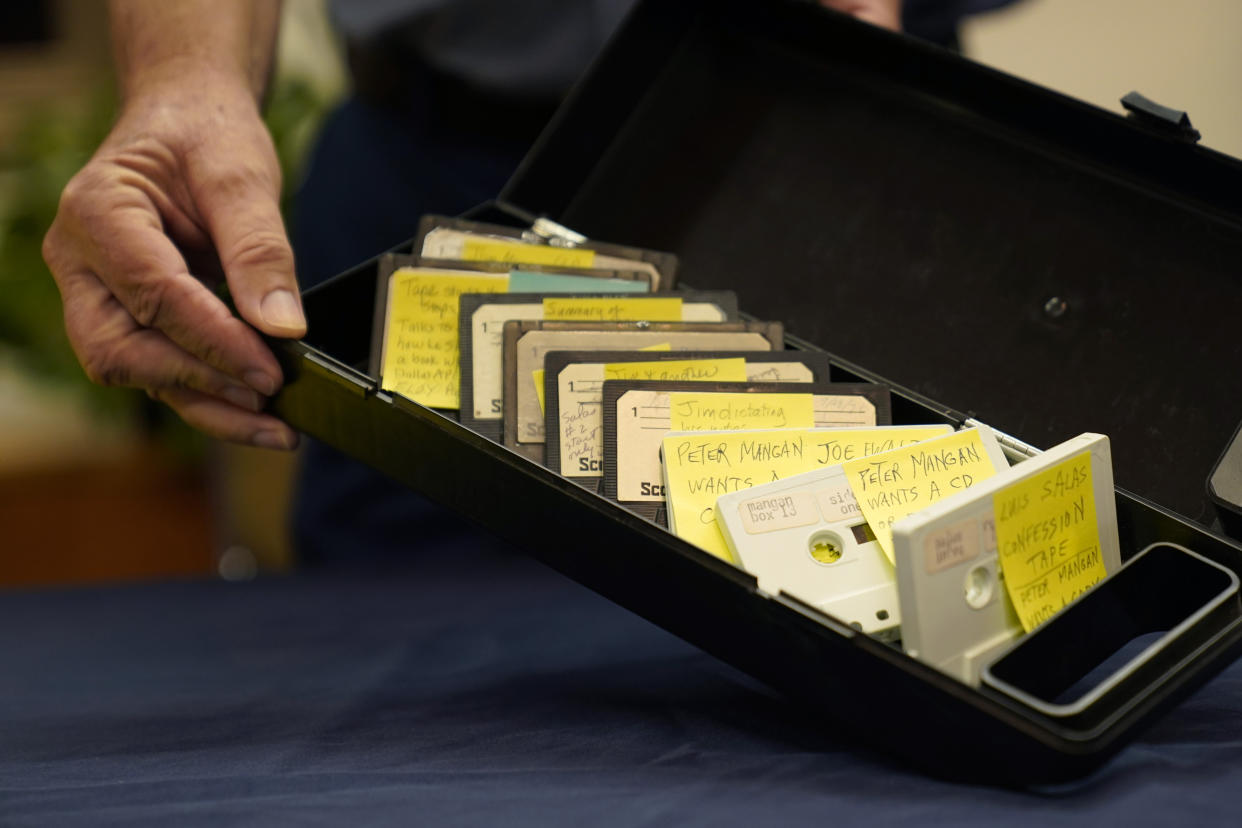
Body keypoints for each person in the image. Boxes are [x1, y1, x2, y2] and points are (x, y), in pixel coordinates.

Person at [43, 0, 1009, 562]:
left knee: (882, 610)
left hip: (822, 143)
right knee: (391, 680)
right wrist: (184, 81)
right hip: (436, 175)